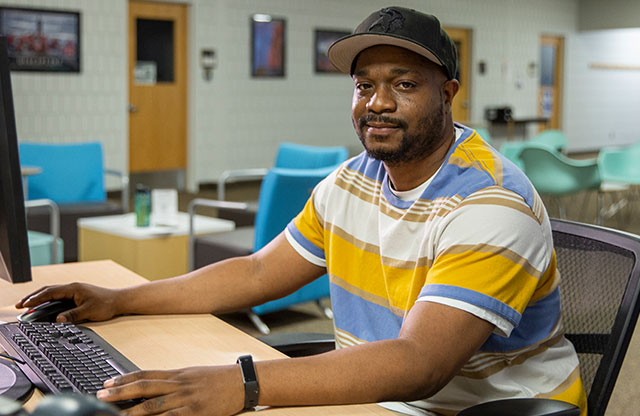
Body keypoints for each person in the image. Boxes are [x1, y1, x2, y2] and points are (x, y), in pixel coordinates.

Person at [16, 6, 587, 416]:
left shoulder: (490, 204)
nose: (378, 103)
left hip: (488, 409)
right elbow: (260, 272)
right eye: (364, 86)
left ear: (448, 92)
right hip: (381, 398)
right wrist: (120, 300)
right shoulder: (353, 180)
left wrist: (242, 385)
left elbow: (421, 364)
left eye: (404, 84)